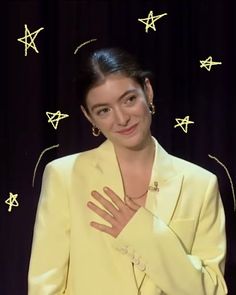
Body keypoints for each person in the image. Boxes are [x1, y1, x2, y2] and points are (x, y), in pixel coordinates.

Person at [28, 48, 227, 295]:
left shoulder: (200, 184)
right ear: (89, 116)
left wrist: (145, 233)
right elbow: (44, 288)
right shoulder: (64, 176)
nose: (121, 119)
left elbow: (211, 290)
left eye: (129, 99)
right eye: (104, 110)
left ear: (148, 91)